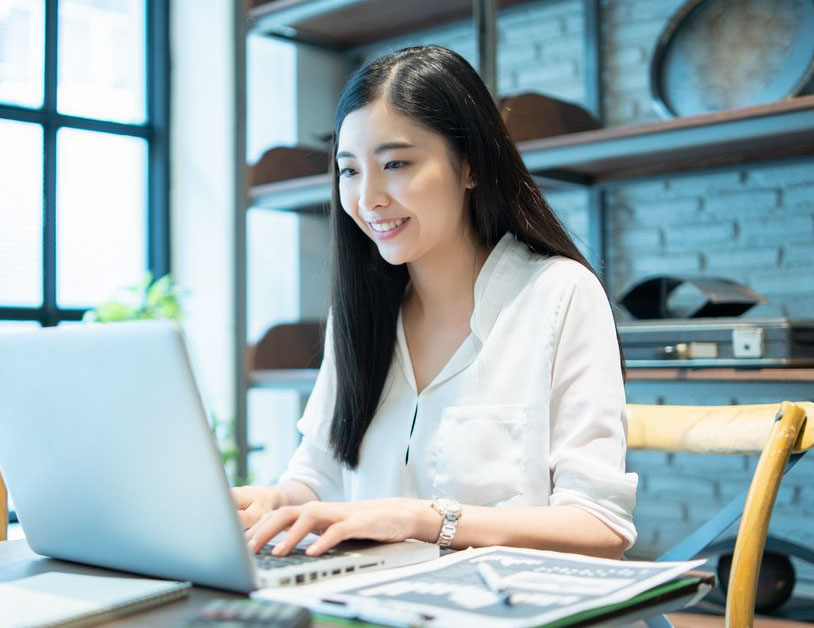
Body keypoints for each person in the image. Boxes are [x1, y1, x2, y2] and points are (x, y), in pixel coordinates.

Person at [232, 45, 637, 560]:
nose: (368, 197)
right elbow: (318, 478)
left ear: (470, 168)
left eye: (396, 163)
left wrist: (422, 519)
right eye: (349, 170)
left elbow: (600, 527)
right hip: (374, 605)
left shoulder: (559, 295)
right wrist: (272, 502)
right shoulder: (359, 317)